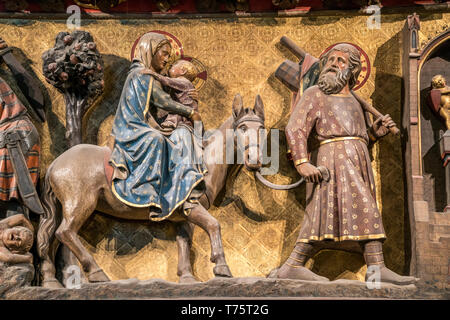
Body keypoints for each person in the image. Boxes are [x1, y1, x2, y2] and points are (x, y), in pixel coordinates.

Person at [276, 43, 417, 285]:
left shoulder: (354, 101)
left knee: (353, 214)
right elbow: (295, 128)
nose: (332, 64)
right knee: (325, 214)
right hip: (331, 163)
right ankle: (295, 266)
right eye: (330, 59)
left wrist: (373, 133)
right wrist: (302, 163)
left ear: (351, 71)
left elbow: (358, 136)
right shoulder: (315, 94)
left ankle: (374, 269)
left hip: (356, 162)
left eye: (340, 61)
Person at [109, 32, 207, 221]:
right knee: (156, 140)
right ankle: (144, 187)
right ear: (150, 50)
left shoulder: (149, 76)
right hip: (131, 127)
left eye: (169, 56)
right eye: (163, 53)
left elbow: (157, 108)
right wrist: (189, 112)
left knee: (165, 137)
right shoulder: (142, 74)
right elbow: (162, 101)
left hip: (143, 124)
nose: (167, 59)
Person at [142, 59, 199, 130]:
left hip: (181, 119)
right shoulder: (183, 84)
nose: (169, 67)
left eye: (172, 66)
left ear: (183, 71)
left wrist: (152, 73)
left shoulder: (184, 82)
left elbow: (167, 81)